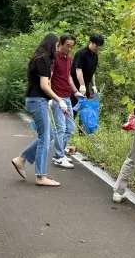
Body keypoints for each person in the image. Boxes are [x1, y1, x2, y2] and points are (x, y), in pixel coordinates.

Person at [11, 34, 67, 187]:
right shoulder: (43, 60)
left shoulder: (39, 58)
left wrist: (49, 99)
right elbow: (44, 85)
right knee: (44, 138)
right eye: (56, 46)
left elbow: (42, 84)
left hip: (38, 100)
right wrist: (59, 100)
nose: (57, 49)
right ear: (51, 45)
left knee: (48, 135)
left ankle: (21, 159)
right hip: (37, 101)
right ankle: (41, 176)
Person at [50, 33, 84, 169]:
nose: (69, 48)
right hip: (58, 98)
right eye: (67, 46)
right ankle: (59, 156)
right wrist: (51, 99)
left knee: (70, 128)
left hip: (68, 97)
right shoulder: (54, 58)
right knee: (61, 128)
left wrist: (76, 91)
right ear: (60, 44)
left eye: (72, 46)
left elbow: (68, 77)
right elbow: (48, 78)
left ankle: (59, 153)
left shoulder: (68, 58)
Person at [70, 34, 104, 133]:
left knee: (85, 109)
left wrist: (93, 85)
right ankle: (68, 129)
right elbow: (78, 70)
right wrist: (82, 85)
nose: (97, 47)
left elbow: (92, 72)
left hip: (86, 86)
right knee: (73, 108)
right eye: (96, 45)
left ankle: (83, 131)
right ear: (91, 42)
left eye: (99, 46)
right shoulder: (82, 53)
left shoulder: (95, 56)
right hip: (75, 85)